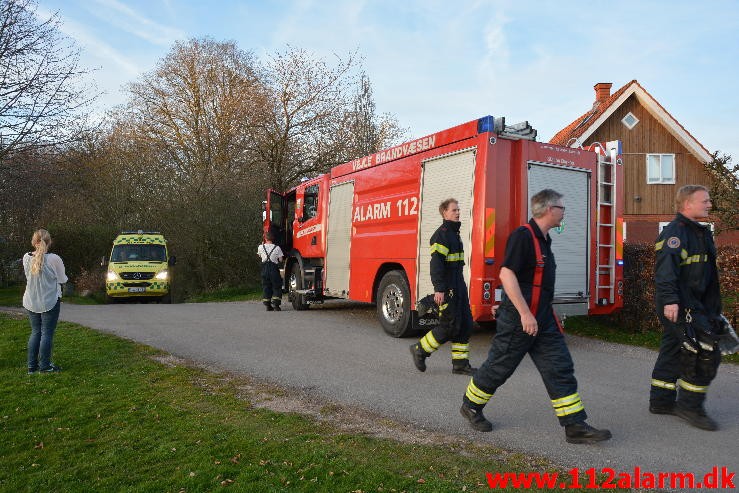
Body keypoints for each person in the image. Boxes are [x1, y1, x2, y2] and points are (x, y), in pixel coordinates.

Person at [459, 189, 611, 444]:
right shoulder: (524, 236)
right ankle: (471, 406)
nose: (564, 212)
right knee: (499, 367)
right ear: (550, 209)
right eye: (562, 208)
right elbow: (507, 274)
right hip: (521, 319)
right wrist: (524, 313)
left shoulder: (544, 239)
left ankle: (574, 426)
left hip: (542, 319)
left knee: (559, 367)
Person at [649, 185, 723, 430]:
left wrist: (712, 308)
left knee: (673, 347)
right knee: (702, 350)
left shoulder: (699, 232)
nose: (709, 205)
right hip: (680, 304)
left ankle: (661, 401)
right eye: (705, 201)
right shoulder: (676, 233)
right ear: (687, 204)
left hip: (696, 304)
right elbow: (666, 270)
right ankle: (690, 406)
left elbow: (706, 276)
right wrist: (671, 300)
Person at [410, 198, 476, 375]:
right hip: (448, 288)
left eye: (458, 209)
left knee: (466, 324)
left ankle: (460, 365)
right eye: (454, 210)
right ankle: (420, 349)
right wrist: (439, 289)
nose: (458, 212)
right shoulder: (442, 235)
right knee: (449, 325)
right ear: (444, 213)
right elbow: (436, 264)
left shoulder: (454, 234)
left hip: (458, 286)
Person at [22, 229, 68, 374]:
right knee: (46, 333)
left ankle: (32, 367)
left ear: (33, 241)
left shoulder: (26, 257)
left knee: (35, 332)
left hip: (31, 300)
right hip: (49, 300)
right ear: (49, 242)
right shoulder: (54, 259)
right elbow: (62, 280)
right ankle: (45, 366)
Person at [258, 230, 284, 311]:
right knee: (276, 286)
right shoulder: (277, 248)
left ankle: (268, 306)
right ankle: (276, 306)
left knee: (266, 286)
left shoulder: (260, 247)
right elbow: (280, 260)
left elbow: (260, 256)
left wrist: (262, 245)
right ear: (273, 238)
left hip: (264, 269)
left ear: (265, 238)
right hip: (274, 269)